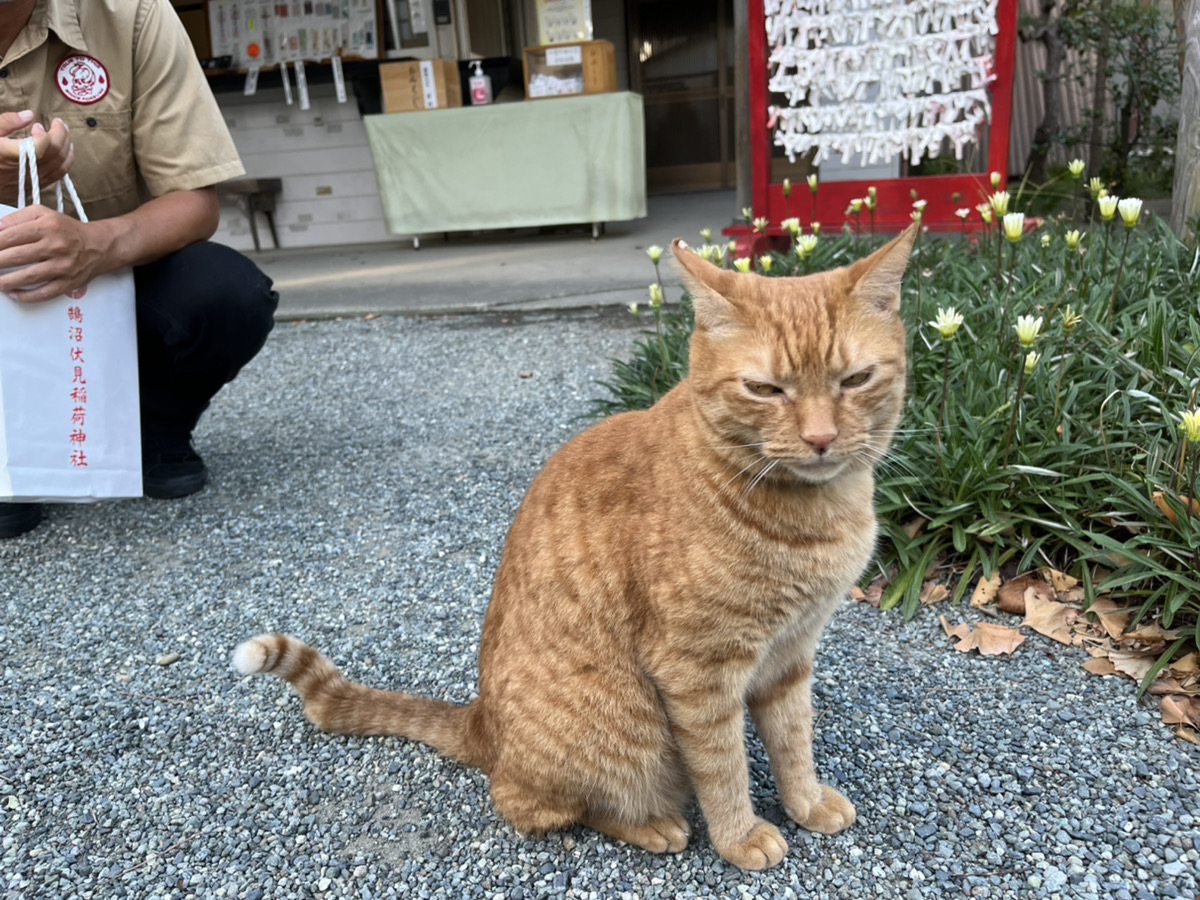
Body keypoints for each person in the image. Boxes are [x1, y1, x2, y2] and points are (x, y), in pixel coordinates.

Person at [0, 0, 279, 539]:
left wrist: (92, 244)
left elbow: (195, 201)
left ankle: (154, 428)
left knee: (225, 294)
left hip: (104, 281)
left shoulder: (133, 14)